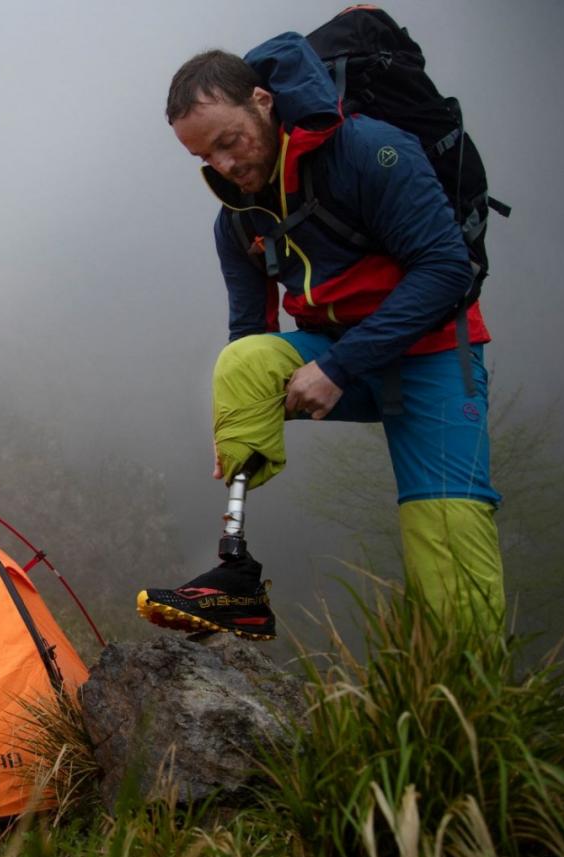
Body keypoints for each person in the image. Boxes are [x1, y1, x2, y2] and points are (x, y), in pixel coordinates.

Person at [136, 33, 505, 641]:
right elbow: (251, 333)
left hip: (435, 354)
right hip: (338, 358)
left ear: (263, 100)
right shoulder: (238, 216)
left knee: (448, 537)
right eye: (206, 159)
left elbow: (445, 271)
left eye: (229, 142)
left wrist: (337, 368)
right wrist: (240, 426)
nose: (224, 167)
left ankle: (470, 709)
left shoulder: (370, 152)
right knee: (242, 365)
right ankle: (237, 584)